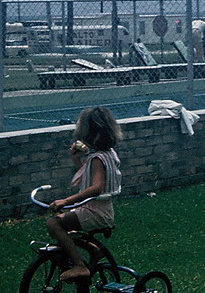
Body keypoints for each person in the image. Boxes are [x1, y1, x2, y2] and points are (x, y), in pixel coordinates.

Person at [46, 106, 122, 282]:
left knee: (54, 224)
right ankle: (93, 250)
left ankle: (79, 266)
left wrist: (66, 200)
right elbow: (90, 176)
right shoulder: (108, 154)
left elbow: (96, 187)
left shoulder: (96, 158)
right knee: (68, 228)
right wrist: (77, 160)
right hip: (102, 210)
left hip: (94, 211)